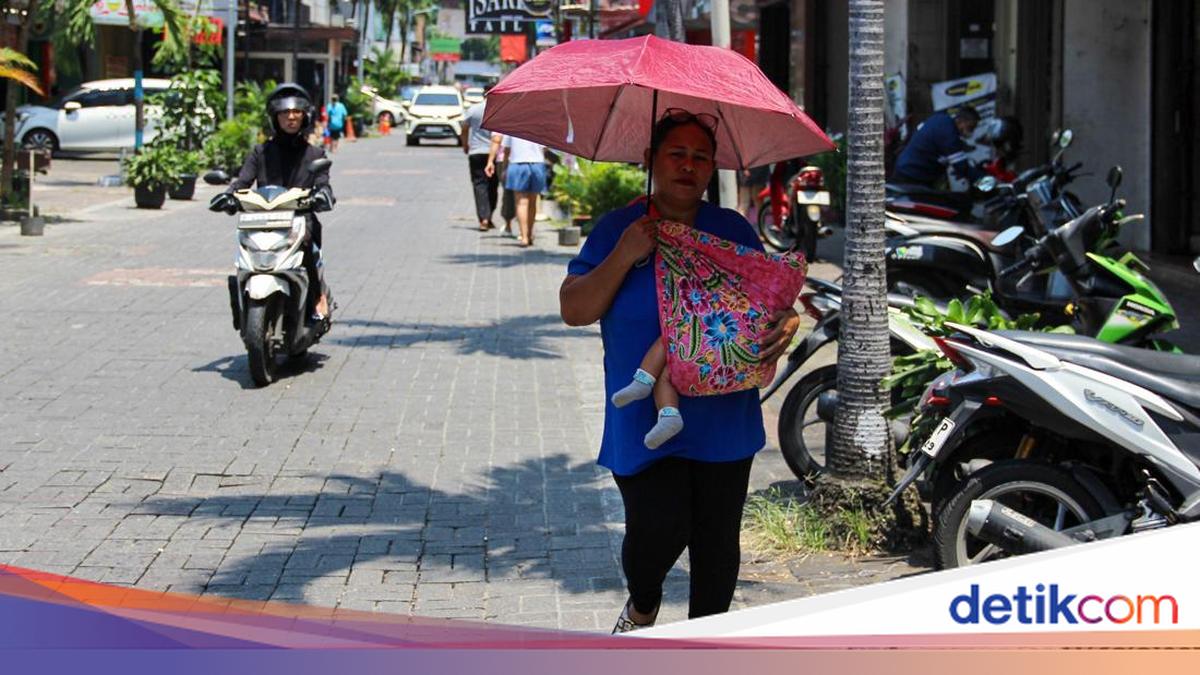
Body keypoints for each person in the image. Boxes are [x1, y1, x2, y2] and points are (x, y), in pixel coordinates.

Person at [559, 109, 801, 633]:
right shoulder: (617, 229)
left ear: (712, 168)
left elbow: (769, 301)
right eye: (676, 154)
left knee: (716, 546)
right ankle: (643, 605)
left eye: (700, 157)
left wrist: (786, 324)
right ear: (650, 160)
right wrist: (625, 254)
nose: (688, 166)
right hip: (644, 418)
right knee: (658, 531)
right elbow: (575, 309)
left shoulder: (732, 229)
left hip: (723, 415)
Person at [210, 83, 334, 322]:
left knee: (307, 244)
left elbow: (323, 181)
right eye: (284, 113)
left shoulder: (314, 155)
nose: (290, 117)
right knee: (241, 257)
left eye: (296, 112)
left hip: (299, 219)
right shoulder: (260, 152)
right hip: (261, 220)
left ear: (304, 116)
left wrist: (322, 194)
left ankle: (317, 296)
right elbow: (243, 181)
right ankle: (242, 304)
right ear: (274, 117)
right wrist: (229, 195)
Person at [891, 106, 983, 187]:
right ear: (961, 121)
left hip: (906, 169)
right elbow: (962, 167)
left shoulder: (940, 119)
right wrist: (984, 182)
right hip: (913, 176)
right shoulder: (949, 134)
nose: (971, 131)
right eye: (971, 127)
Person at [486, 134, 547, 247]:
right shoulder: (540, 125)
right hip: (537, 163)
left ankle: (523, 237)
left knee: (521, 203)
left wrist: (504, 168)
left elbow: (507, 150)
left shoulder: (513, 125)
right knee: (533, 203)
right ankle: (529, 234)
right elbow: (545, 147)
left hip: (517, 163)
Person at [460, 89, 499, 232]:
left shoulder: (473, 110)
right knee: (493, 186)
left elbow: (464, 127)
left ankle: (484, 218)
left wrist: (465, 144)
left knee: (479, 185)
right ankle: (487, 216)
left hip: (476, 152)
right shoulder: (498, 111)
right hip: (494, 154)